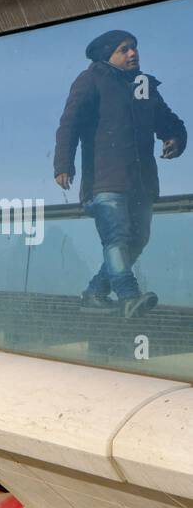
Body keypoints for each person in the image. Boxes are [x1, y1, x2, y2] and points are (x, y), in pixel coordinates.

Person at [54, 29, 186, 317]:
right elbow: (69, 123)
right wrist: (63, 164)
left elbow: (169, 121)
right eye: (124, 49)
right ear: (108, 56)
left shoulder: (145, 85)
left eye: (134, 47)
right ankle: (129, 296)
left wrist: (175, 138)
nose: (132, 53)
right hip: (105, 180)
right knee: (116, 237)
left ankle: (95, 293)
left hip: (141, 181)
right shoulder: (92, 79)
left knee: (137, 240)